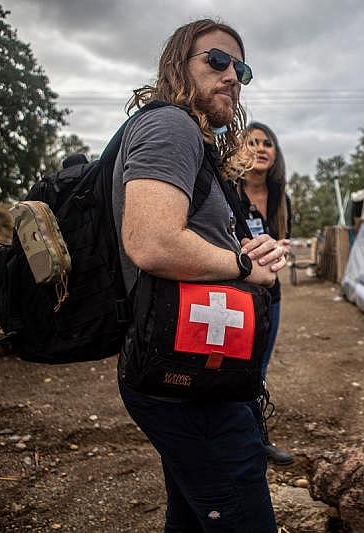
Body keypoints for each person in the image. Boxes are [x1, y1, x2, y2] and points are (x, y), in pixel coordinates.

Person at [112, 19, 286, 532]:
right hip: (186, 379)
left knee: (193, 513)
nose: (232, 74)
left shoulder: (197, 140)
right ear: (177, 66)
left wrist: (249, 249)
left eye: (242, 67)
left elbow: (187, 238)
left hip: (195, 370)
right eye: (217, 60)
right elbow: (152, 241)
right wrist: (242, 266)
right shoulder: (171, 126)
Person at [239, 123, 294, 466]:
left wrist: (282, 248)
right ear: (239, 150)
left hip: (269, 298)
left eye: (267, 143)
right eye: (252, 142)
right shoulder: (226, 190)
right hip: (234, 295)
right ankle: (238, 440)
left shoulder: (280, 198)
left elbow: (283, 239)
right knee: (232, 370)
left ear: (275, 155)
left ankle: (258, 441)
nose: (260, 148)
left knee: (258, 369)